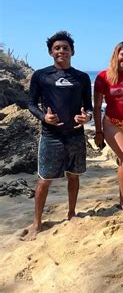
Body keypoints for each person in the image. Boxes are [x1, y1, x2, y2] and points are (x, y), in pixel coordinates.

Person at [24, 31, 92, 240]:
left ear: (72, 51)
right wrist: (44, 117)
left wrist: (86, 117)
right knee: (44, 180)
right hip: (51, 136)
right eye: (57, 48)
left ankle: (72, 214)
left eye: (65, 47)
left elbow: (88, 107)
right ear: (50, 52)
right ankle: (37, 222)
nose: (61, 51)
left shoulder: (81, 77)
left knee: (74, 176)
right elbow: (31, 103)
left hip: (75, 135)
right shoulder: (41, 76)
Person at [93, 41, 123, 214]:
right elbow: (97, 107)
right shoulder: (103, 77)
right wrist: (98, 132)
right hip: (113, 123)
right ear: (116, 54)